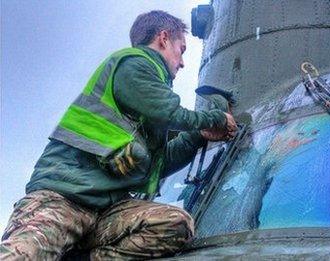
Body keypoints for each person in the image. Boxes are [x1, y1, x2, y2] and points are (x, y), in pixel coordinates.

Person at [0, 10, 237, 260]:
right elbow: (170, 112)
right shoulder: (134, 64)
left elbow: (160, 163)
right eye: (182, 49)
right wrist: (216, 119)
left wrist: (198, 135)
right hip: (62, 200)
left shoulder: (147, 106)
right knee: (22, 255)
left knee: (175, 223)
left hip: (106, 211)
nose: (182, 62)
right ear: (163, 38)